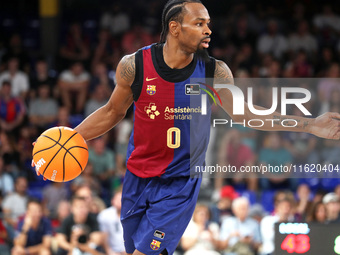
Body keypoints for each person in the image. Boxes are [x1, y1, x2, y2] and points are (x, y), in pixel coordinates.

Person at [33, 1, 340, 255]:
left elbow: (246, 114)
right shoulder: (135, 65)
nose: (208, 30)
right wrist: (67, 140)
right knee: (133, 249)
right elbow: (113, 111)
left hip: (179, 183)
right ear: (175, 28)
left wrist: (311, 124)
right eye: (199, 23)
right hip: (137, 177)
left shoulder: (214, 71)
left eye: (208, 23)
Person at [97, 188, 125, 255]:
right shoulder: (104, 215)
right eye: (117, 199)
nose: (119, 202)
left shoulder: (132, 215)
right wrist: (109, 251)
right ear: (112, 200)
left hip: (127, 251)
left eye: (121, 199)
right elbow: (104, 236)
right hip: (111, 251)